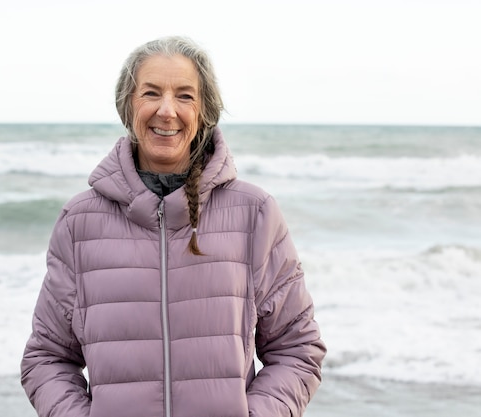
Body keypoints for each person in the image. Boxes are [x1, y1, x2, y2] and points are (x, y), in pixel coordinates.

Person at [21, 36, 326, 417]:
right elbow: (47, 358)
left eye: (184, 96)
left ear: (204, 110)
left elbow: (296, 348)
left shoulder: (254, 213)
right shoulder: (80, 221)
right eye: (151, 93)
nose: (167, 111)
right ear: (128, 105)